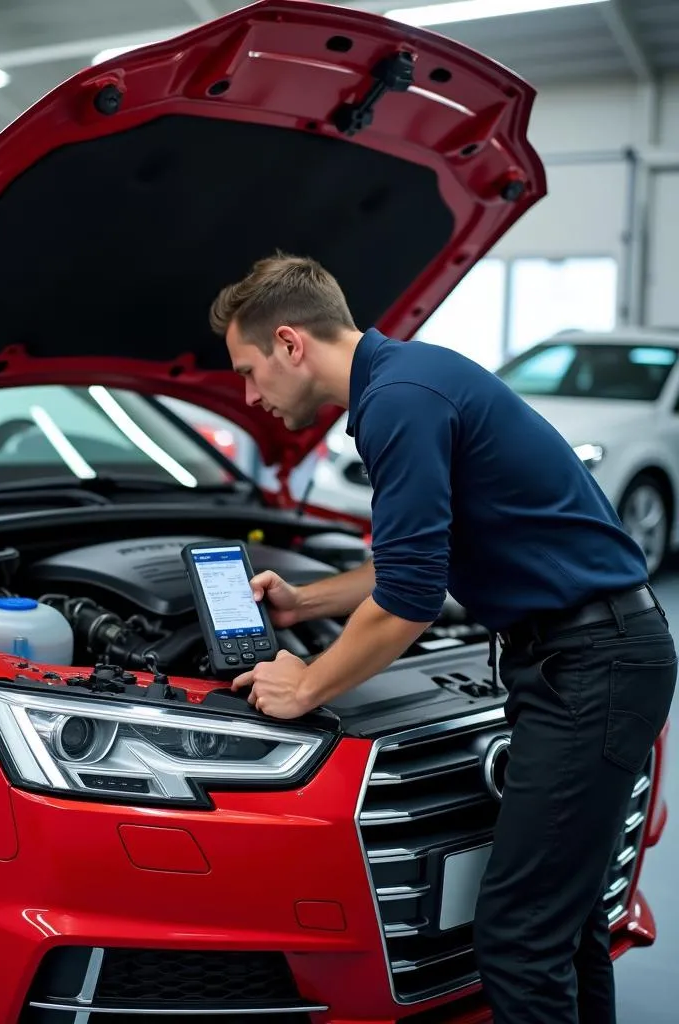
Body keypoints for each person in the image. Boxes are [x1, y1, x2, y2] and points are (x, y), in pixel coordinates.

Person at [208, 253, 677, 1024]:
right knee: (570, 924)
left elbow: (410, 603)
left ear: (290, 343)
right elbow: (419, 557)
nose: (249, 396)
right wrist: (302, 601)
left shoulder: (397, 402)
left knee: (520, 939)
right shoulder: (411, 378)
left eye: (248, 370)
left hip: (593, 664)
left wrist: (307, 683)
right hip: (589, 654)